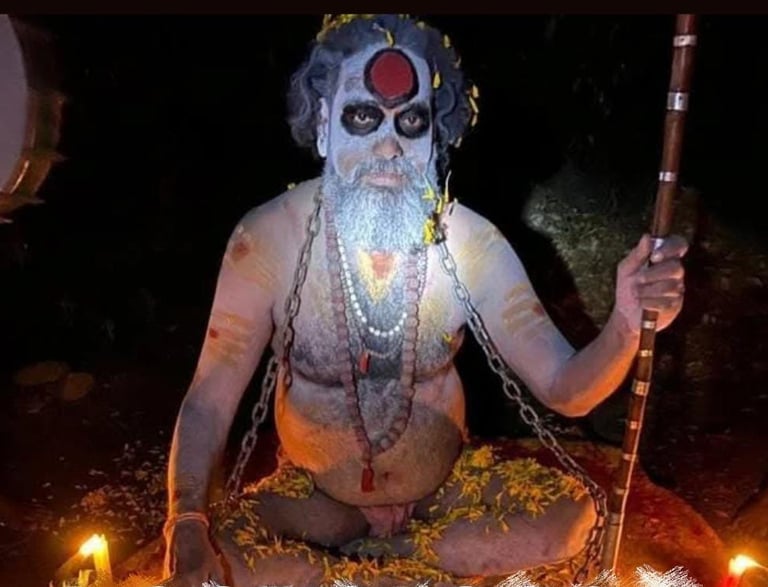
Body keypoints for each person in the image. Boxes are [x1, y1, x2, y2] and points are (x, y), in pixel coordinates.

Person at [160, 14, 687, 587]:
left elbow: (567, 390)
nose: (389, 146)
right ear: (323, 127)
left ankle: (375, 567)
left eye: (411, 121)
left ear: (434, 138)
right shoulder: (267, 241)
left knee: (569, 521)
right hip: (317, 499)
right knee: (218, 554)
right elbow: (209, 401)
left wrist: (626, 324)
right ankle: (399, 574)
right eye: (363, 117)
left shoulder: (471, 242)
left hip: (443, 491)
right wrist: (185, 521)